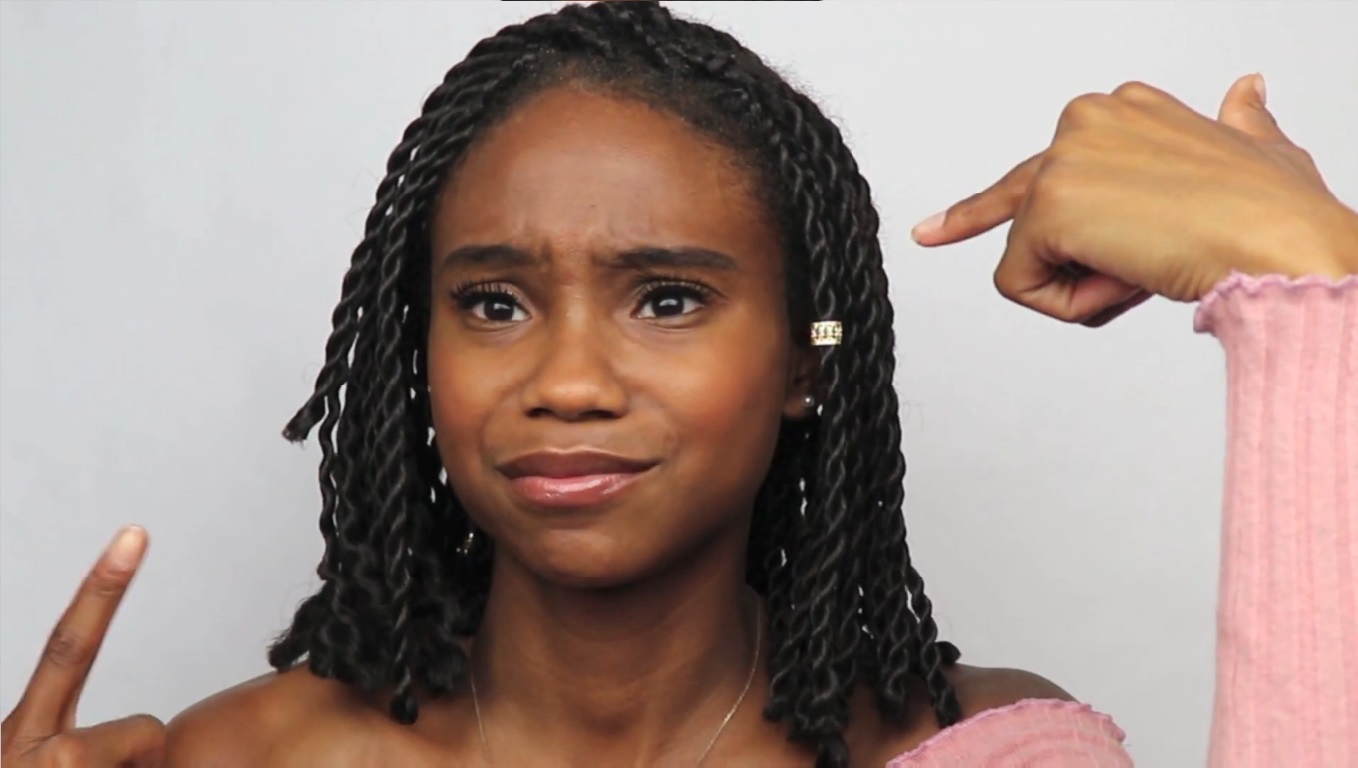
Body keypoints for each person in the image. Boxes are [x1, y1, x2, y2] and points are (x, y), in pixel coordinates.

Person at [2, 2, 1354, 766]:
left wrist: (1313, 299)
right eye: (491, 302)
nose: (567, 379)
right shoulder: (253, 763)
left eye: (667, 298)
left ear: (803, 363)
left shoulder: (980, 753)